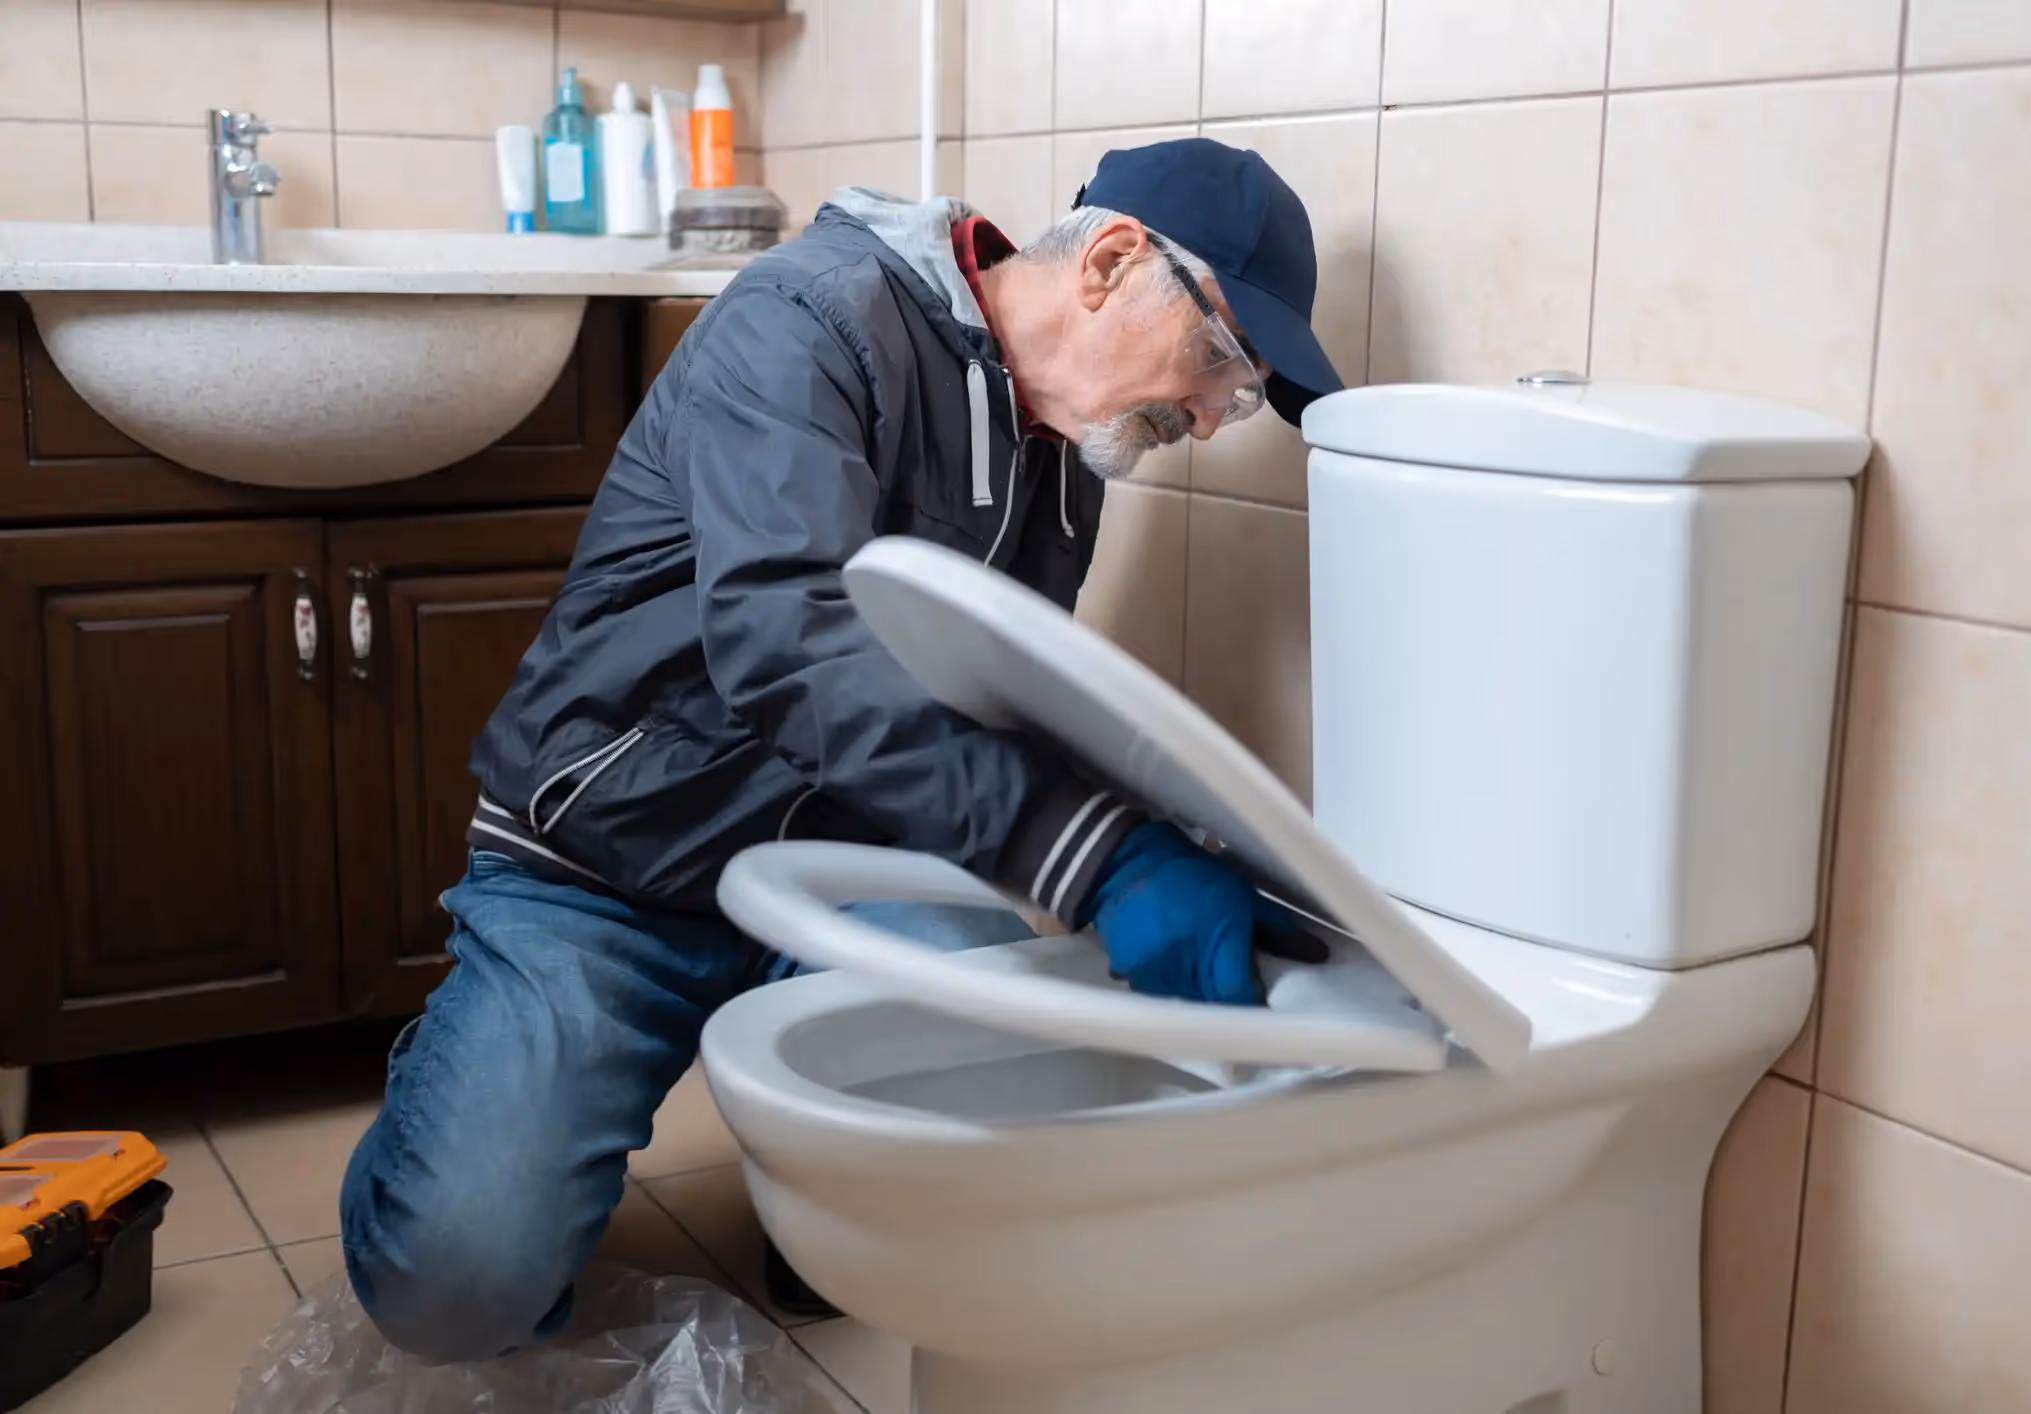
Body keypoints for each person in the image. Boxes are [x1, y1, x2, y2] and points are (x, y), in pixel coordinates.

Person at [338, 137, 1343, 1362]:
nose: (1205, 415)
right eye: (1222, 361)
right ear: (1113, 261)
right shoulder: (808, 320)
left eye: (1234, 397)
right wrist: (1096, 858)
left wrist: (1189, 840)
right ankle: (459, 1078)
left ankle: (799, 1200)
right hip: (608, 868)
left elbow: (995, 701)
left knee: (981, 1132)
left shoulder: (1064, 465)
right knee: (459, 1283)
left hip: (843, 870)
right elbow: (788, 644)